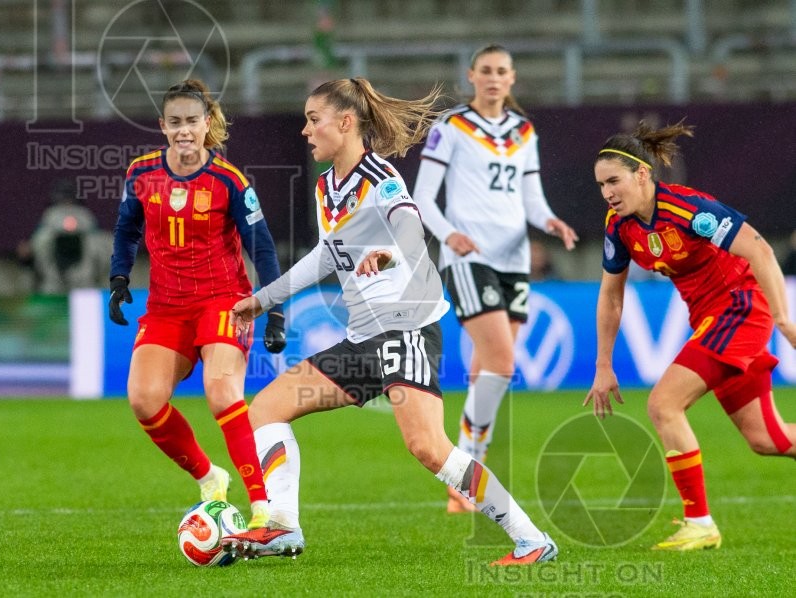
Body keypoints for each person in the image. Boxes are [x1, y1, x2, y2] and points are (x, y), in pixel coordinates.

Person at [219, 77, 557, 566]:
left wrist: (385, 252)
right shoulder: (325, 187)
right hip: (363, 339)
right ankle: (282, 527)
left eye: (314, 120)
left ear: (345, 121)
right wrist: (265, 298)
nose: (305, 131)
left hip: (408, 330)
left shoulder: (381, 179)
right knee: (267, 409)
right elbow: (327, 257)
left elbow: (408, 225)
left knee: (427, 446)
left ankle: (531, 539)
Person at [584, 120, 796, 551]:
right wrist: (603, 364)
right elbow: (611, 297)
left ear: (642, 174)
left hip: (740, 309)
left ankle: (699, 523)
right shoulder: (619, 226)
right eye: (601, 184)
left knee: (663, 404)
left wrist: (783, 319)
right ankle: (700, 523)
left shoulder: (689, 210)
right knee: (768, 439)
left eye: (614, 181)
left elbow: (759, 249)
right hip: (710, 319)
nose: (607, 192)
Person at [108, 79, 288, 529]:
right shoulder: (140, 174)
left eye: (192, 121)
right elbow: (127, 231)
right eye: (175, 123)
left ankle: (263, 508)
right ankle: (209, 477)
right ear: (162, 126)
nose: (183, 130)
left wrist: (274, 307)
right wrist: (119, 277)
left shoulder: (230, 180)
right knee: (144, 400)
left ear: (206, 124)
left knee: (222, 390)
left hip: (223, 300)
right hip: (166, 306)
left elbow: (261, 247)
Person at [412, 43, 579, 513]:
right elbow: (423, 197)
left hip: (514, 258)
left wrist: (550, 222)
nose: (492, 77)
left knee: (491, 369)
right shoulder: (451, 128)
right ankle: (467, 470)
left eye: (501, 71)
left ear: (512, 79)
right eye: (484, 70)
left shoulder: (524, 130)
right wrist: (451, 236)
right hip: (468, 257)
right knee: (501, 361)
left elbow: (533, 199)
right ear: (471, 76)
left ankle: (461, 478)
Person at [25, 178, 111, 293]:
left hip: (84, 279)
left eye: (69, 197)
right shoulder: (50, 215)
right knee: (43, 238)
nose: (66, 202)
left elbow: (102, 246)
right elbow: (36, 245)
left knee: (99, 241)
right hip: (53, 279)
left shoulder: (85, 216)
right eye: (63, 198)